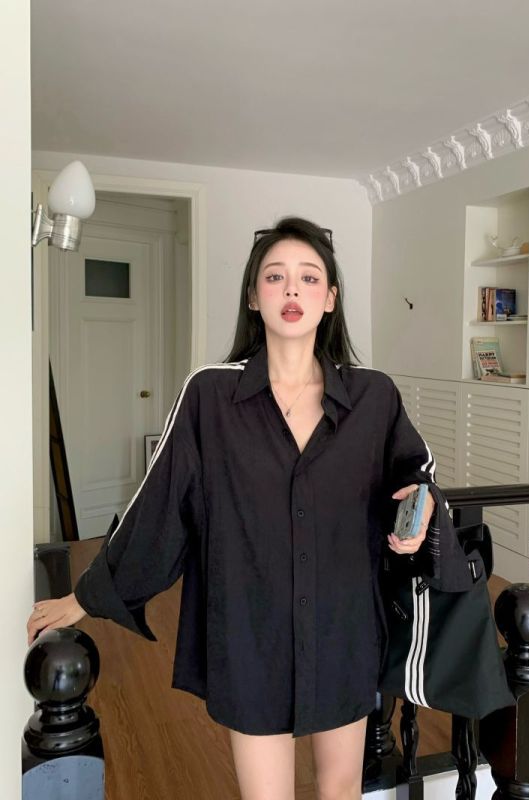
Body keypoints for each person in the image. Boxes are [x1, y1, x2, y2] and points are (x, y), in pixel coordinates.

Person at [26, 217, 439, 800]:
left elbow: (416, 473)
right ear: (252, 296)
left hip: (343, 625)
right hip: (250, 631)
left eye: (308, 277)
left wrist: (419, 507)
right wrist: (87, 595)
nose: (291, 289)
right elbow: (160, 502)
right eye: (275, 277)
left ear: (330, 298)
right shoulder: (209, 396)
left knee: (342, 789)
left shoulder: (374, 396)